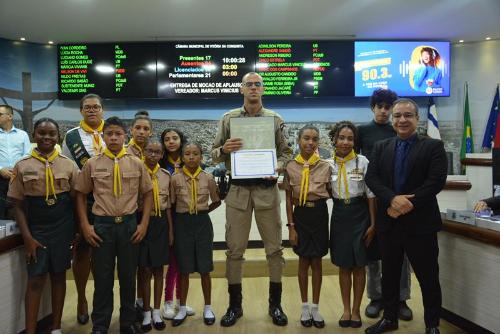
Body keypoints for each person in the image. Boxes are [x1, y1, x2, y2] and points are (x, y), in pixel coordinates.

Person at [211, 72, 292, 327]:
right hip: (238, 191)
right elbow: (213, 155)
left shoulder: (275, 119)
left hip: (267, 189)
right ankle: (235, 306)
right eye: (249, 84)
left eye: (258, 84)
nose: (254, 88)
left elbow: (287, 153)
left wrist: (276, 167)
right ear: (241, 89)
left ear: (263, 89)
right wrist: (224, 150)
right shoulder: (228, 119)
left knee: (275, 249)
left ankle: (275, 305)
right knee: (234, 250)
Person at [365, 98, 447, 334]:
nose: (402, 120)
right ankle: (389, 319)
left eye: (408, 115)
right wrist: (392, 199)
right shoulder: (382, 147)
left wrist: (404, 204)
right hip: (389, 224)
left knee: (428, 277)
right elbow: (372, 178)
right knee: (389, 276)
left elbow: (435, 182)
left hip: (420, 224)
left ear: (417, 119)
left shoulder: (433, 147)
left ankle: (432, 324)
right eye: (397, 115)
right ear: (392, 120)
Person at [74, 116, 153, 334]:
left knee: (128, 278)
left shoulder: (136, 162)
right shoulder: (92, 163)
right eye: (109, 134)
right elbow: (80, 194)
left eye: (118, 133)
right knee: (102, 278)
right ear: (103, 136)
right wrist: (85, 226)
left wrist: (143, 224)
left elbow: (147, 194)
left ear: (124, 135)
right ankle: (100, 325)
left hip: (128, 226)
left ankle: (127, 323)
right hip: (102, 227)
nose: (114, 137)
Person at [8, 118, 78, 334]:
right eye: (41, 133)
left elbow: (77, 201)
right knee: (36, 280)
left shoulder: (69, 164)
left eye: (51, 134)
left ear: (58, 137)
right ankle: (30, 331)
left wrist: (76, 232)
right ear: (33, 134)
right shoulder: (22, 165)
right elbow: (16, 206)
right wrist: (27, 238)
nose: (46, 137)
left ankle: (56, 327)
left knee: (59, 276)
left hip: (63, 227)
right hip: (36, 229)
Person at [357, 89, 413, 321]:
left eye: (387, 107)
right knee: (372, 252)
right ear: (372, 108)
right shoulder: (362, 131)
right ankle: (376, 296)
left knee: (402, 251)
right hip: (371, 200)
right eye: (379, 106)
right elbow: (355, 164)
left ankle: (401, 298)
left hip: (398, 201)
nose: (383, 111)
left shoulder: (399, 130)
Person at [61, 93, 105, 325]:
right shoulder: (71, 137)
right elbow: (67, 171)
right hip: (83, 201)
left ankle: (100, 301)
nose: (91, 110)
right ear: (81, 111)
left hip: (109, 202)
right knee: (82, 252)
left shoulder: (113, 133)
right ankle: (81, 299)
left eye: (95, 107)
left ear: (102, 110)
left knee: (104, 255)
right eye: (87, 107)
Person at [328, 121, 376, 329]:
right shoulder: (326, 164)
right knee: (344, 264)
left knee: (359, 265)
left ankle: (356, 310)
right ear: (334, 139)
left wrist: (373, 225)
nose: (345, 142)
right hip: (340, 215)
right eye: (341, 138)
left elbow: (371, 196)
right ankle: (346, 309)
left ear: (355, 141)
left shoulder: (362, 162)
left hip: (360, 214)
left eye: (350, 138)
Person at [283, 125, 331, 328]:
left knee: (317, 262)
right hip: (300, 214)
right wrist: (291, 226)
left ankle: (315, 308)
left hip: (319, 214)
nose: (310, 142)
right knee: (303, 261)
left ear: (318, 142)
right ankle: (304, 308)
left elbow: (332, 191)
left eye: (314, 139)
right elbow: (287, 199)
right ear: (299, 140)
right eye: (306, 138)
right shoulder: (291, 166)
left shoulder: (326, 166)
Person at [170, 142, 221, 326]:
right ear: (182, 157)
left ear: (201, 157)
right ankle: (182, 307)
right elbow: (172, 205)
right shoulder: (175, 179)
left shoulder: (208, 178)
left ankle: (208, 307)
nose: (191, 157)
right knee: (183, 269)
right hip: (183, 224)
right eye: (187, 154)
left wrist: (203, 211)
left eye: (195, 154)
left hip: (202, 223)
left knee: (205, 268)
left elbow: (216, 201)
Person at [159, 128, 195, 319]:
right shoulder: (160, 163)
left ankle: (182, 302)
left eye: (175, 138)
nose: (171, 142)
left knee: (183, 262)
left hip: (186, 215)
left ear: (182, 140)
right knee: (172, 262)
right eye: (167, 139)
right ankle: (168, 302)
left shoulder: (190, 160)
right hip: (167, 215)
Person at [138, 139, 173, 332]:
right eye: (149, 151)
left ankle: (157, 311)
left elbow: (168, 207)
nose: (153, 155)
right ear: (143, 151)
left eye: (157, 152)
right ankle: (145, 312)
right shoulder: (137, 171)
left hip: (160, 223)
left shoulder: (166, 176)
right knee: (144, 270)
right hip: (141, 222)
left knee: (159, 269)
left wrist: (170, 231)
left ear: (162, 155)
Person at [127, 110, 153, 318]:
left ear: (151, 132)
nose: (141, 132)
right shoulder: (124, 153)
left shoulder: (154, 153)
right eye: (138, 128)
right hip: (130, 214)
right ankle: (131, 306)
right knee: (130, 265)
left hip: (152, 215)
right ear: (131, 130)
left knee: (146, 265)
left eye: (145, 129)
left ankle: (144, 304)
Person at [0, 104, 31, 219]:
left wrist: (16, 170)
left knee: (20, 210)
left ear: (10, 116)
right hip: (0, 177)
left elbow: (27, 155)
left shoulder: (22, 135)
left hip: (19, 177)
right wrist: (0, 169)